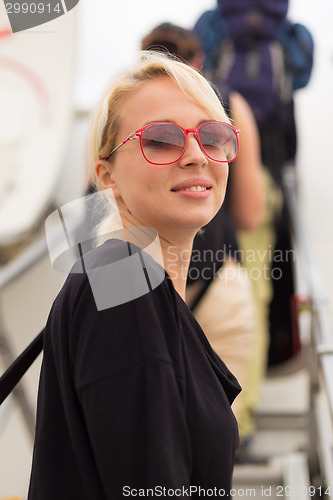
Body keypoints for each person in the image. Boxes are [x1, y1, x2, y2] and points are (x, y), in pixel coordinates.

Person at [28, 51, 241, 499]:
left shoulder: (132, 286)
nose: (195, 156)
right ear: (107, 176)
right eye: (160, 140)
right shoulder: (123, 284)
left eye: (213, 136)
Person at [141, 23, 271, 449]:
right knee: (216, 440)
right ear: (199, 62)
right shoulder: (228, 106)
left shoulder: (123, 109)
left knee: (146, 430)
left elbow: (91, 212)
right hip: (215, 281)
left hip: (132, 280)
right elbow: (251, 214)